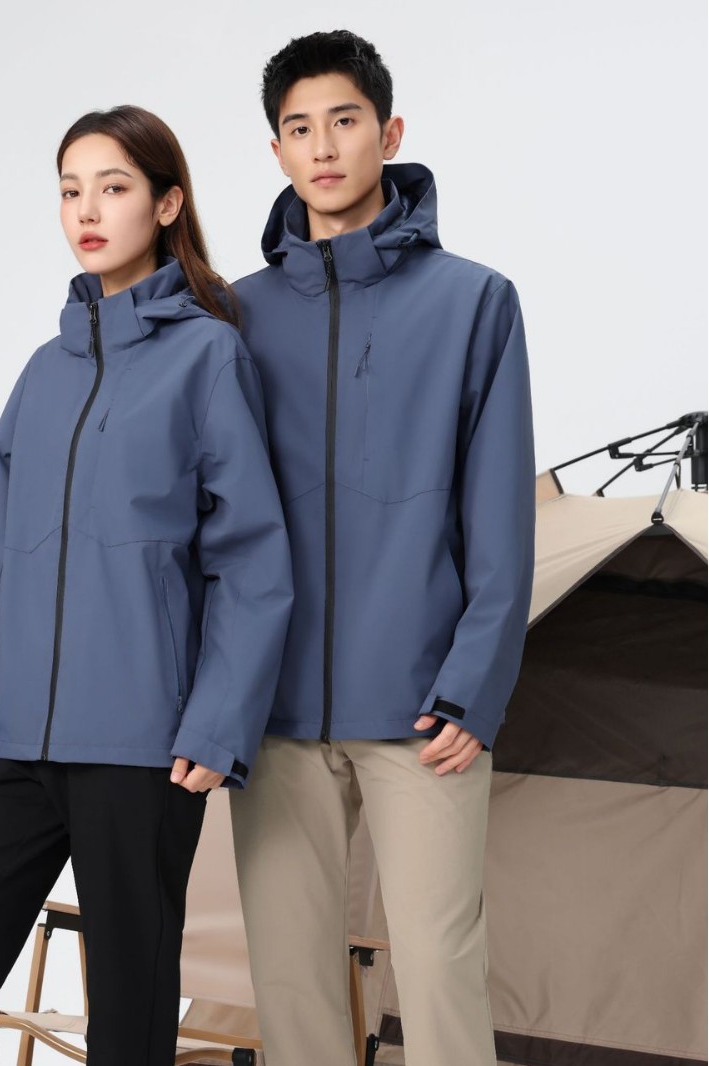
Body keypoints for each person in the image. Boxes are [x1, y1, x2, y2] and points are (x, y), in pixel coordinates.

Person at [0, 105, 293, 1066]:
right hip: (22, 744)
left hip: (143, 748)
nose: (87, 209)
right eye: (71, 190)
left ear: (166, 205)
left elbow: (251, 558)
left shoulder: (208, 357)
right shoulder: (43, 374)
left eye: (113, 187)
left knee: (128, 1012)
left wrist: (217, 723)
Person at [227, 30, 535, 1066]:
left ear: (389, 133)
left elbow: (501, 513)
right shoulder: (235, 316)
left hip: (422, 709)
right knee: (289, 983)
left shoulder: (474, 303)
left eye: (344, 121)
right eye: (299, 128)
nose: (322, 147)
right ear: (275, 149)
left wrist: (474, 688)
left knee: (441, 972)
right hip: (274, 714)